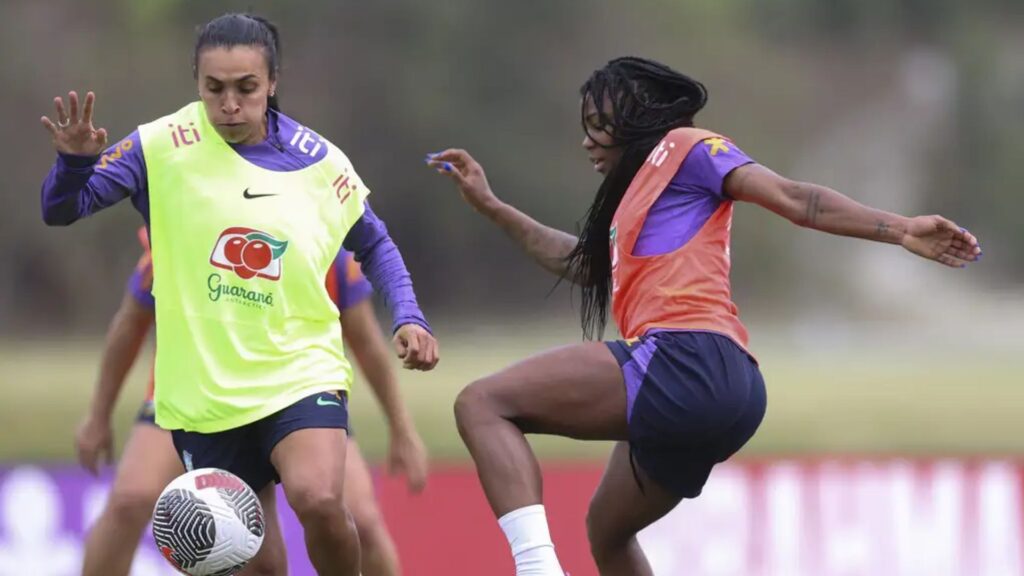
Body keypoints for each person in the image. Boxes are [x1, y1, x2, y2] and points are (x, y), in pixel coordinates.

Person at [426, 56, 981, 576]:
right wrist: (493, 207)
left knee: (481, 402)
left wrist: (900, 229)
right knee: (607, 531)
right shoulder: (633, 202)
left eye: (598, 122)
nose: (586, 139)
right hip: (729, 388)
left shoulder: (687, 147)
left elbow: (793, 198)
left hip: (686, 360)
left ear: (634, 117)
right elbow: (582, 265)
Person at [40, 13, 438, 575]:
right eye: (215, 88)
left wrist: (410, 316)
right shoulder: (159, 145)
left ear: (272, 82)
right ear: (196, 82)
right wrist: (73, 165)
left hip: (300, 374)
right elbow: (62, 211)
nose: (230, 103)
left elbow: (376, 244)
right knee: (259, 565)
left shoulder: (320, 163)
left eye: (246, 88)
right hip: (204, 395)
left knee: (320, 500)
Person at [75, 228, 426, 576]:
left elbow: (366, 342)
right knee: (131, 500)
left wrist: (402, 428)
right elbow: (130, 324)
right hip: (195, 398)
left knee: (359, 520)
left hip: (301, 391)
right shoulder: (187, 232)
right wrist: (97, 416)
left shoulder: (321, 241)